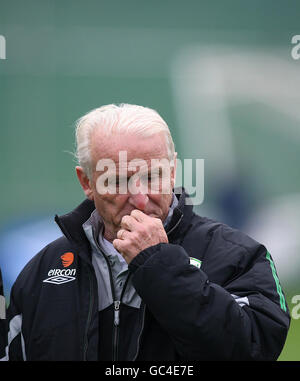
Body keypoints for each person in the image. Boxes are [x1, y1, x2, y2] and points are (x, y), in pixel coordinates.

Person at [6, 104, 290, 361]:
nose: (140, 199)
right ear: (87, 182)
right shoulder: (41, 272)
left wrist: (160, 265)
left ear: (173, 170)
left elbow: (253, 350)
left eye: (152, 176)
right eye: (118, 180)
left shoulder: (239, 256)